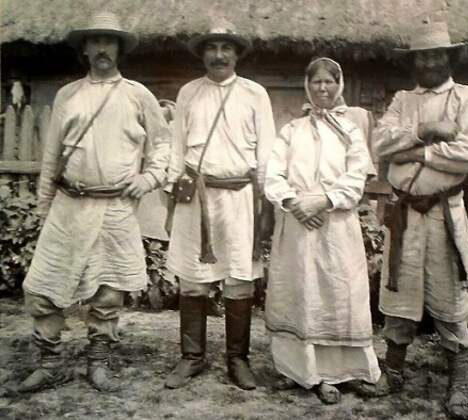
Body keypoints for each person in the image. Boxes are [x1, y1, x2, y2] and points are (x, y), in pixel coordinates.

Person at [18, 11, 170, 392]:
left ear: (119, 48)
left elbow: (163, 146)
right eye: (96, 41)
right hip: (69, 204)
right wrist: (44, 208)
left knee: (108, 291)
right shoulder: (68, 95)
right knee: (42, 286)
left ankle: (98, 362)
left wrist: (148, 178)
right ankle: (49, 363)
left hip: (115, 208)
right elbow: (51, 157)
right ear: (84, 48)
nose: (103, 48)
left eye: (110, 41)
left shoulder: (137, 95)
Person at [371, 18, 468, 419]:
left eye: (437, 55)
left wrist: (417, 152)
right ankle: (394, 371)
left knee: (450, 292)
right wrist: (426, 129)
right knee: (399, 291)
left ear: (450, 58)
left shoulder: (466, 98)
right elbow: (380, 143)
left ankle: (459, 383)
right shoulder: (403, 100)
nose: (430, 63)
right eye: (423, 57)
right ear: (414, 61)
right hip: (405, 213)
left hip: (444, 212)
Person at [164, 25, 276, 390]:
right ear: (202, 54)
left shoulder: (255, 93)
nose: (218, 55)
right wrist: (171, 201)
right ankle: (191, 357)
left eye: (226, 47)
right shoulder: (189, 92)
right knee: (192, 278)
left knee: (239, 278)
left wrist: (266, 203)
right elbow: (176, 150)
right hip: (196, 197)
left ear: (237, 54)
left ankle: (237, 359)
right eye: (211, 47)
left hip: (240, 198)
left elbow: (267, 152)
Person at [263, 57, 380, 404]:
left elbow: (357, 177)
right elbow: (272, 173)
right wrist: (293, 202)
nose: (323, 88)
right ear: (307, 85)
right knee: (300, 294)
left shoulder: (351, 131)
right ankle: (300, 371)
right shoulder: (291, 129)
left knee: (337, 294)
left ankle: (341, 372)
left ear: (339, 84)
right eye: (317, 82)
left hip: (336, 225)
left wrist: (325, 201)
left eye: (329, 81)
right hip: (296, 225)